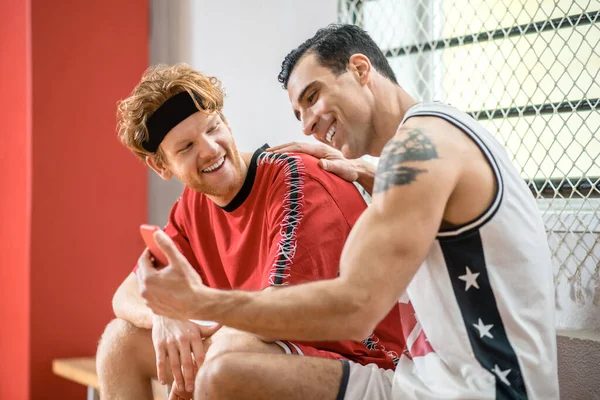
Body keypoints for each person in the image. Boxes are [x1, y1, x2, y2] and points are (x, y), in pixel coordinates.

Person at [137, 24, 559, 399]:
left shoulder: (421, 149)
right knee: (217, 369)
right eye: (298, 114)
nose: (305, 126)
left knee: (223, 373)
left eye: (313, 95)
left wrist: (202, 304)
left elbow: (355, 309)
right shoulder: (420, 146)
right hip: (426, 381)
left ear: (360, 70)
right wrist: (363, 170)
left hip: (484, 390)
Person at [96, 63, 404, 400]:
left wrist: (192, 316)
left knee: (228, 351)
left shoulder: (297, 182)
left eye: (213, 129)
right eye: (186, 147)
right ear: (162, 166)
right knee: (119, 341)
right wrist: (163, 314)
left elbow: (274, 315)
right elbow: (126, 294)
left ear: (226, 122)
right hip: (277, 348)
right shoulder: (194, 203)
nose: (210, 149)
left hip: (365, 360)